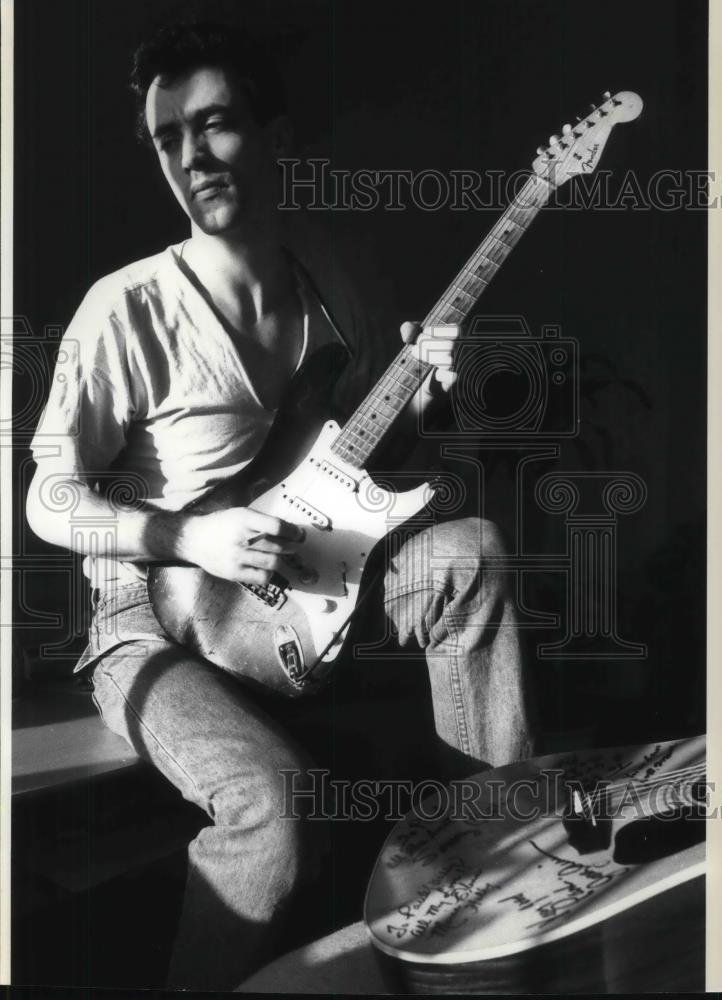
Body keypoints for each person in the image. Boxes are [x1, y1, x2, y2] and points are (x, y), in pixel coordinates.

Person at [26, 20, 537, 990]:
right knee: (278, 801)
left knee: (466, 553)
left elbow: (345, 476)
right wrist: (191, 536)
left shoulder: (325, 283)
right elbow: (48, 498)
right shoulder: (124, 309)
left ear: (276, 136)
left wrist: (420, 403)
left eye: (213, 124)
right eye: (166, 138)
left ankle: (497, 871)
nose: (189, 157)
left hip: (304, 581)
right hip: (157, 622)